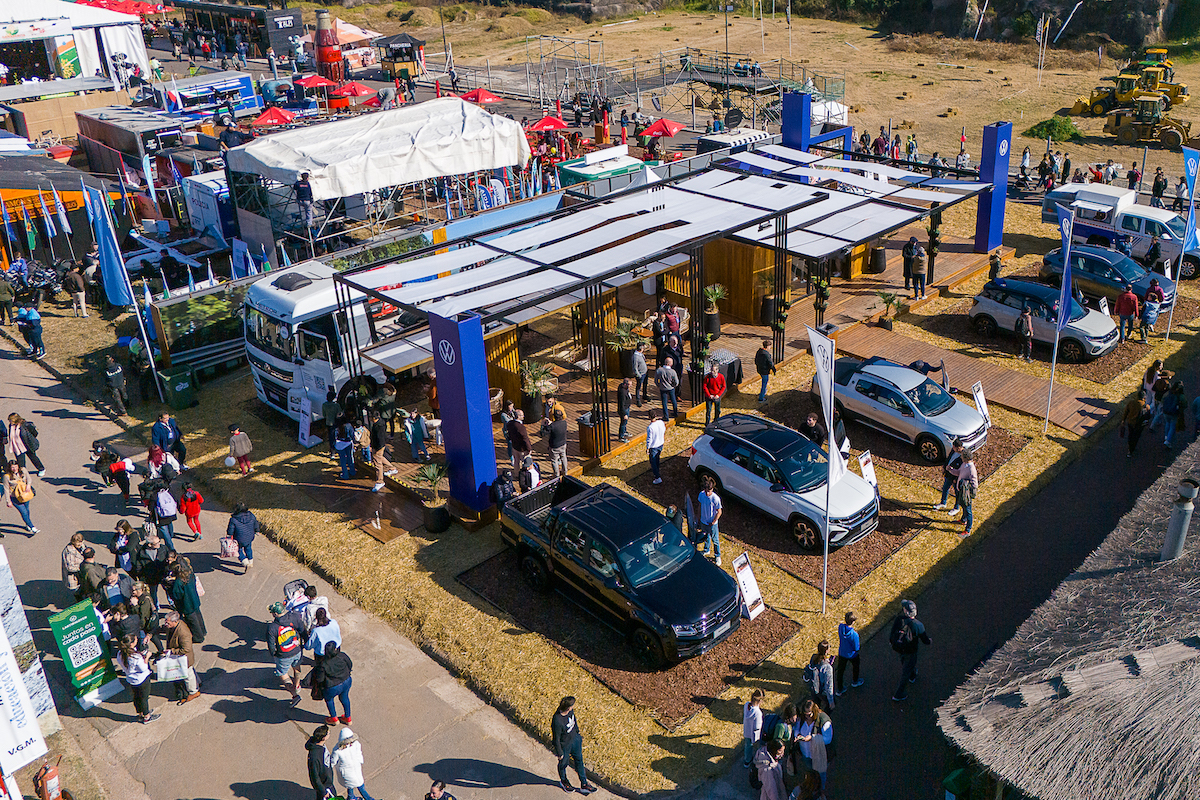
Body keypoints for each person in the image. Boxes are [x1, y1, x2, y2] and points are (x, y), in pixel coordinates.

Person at [552, 696, 596, 794]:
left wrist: (578, 733)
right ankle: (564, 781)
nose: (573, 707)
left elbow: (574, 720)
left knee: (579, 761)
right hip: (565, 746)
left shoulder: (570, 712)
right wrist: (559, 752)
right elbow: (556, 739)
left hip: (575, 740)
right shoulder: (557, 720)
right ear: (568, 707)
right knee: (563, 764)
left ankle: (584, 784)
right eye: (572, 705)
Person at [890, 599, 932, 701]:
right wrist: (929, 641)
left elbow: (892, 633)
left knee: (905, 661)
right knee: (906, 671)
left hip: (899, 648)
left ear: (906, 611)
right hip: (910, 650)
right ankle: (898, 694)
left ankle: (912, 674)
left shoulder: (899, 619)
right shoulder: (918, 625)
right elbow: (925, 640)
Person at [114, 634, 159, 724]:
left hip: (131, 680)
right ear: (131, 644)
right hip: (141, 679)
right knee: (143, 698)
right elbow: (144, 668)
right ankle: (146, 716)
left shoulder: (120, 653)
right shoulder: (135, 657)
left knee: (136, 697)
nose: (136, 640)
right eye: (134, 640)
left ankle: (140, 713)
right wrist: (147, 657)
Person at [268, 601, 305, 706]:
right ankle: (297, 685)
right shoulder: (294, 617)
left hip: (283, 654)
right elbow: (302, 630)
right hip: (297, 649)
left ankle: (295, 695)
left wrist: (274, 654)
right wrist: (303, 643)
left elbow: (271, 646)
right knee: (296, 666)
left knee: (283, 673)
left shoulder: (272, 627)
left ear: (275, 614)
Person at [162, 610, 200, 703]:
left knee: (188, 675)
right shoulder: (174, 626)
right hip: (181, 657)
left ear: (175, 622)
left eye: (168, 622)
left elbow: (186, 649)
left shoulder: (183, 632)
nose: (166, 624)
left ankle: (193, 692)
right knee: (190, 672)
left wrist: (172, 651)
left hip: (185, 657)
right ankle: (197, 683)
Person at [329, 728, 377, 800]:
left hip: (356, 769)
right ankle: (369, 799)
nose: (351, 743)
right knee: (359, 786)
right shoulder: (337, 751)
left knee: (354, 785)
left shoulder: (356, 744)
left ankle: (351, 797)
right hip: (346, 772)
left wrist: (359, 761)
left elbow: (359, 753)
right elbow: (332, 762)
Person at [795, 699, 832, 789]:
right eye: (805, 715)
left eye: (809, 715)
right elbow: (796, 728)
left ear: (814, 711)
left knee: (821, 775)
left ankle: (820, 791)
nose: (807, 717)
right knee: (810, 773)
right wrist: (797, 735)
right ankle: (811, 788)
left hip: (819, 755)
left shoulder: (824, 721)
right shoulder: (802, 719)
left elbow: (828, 739)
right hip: (806, 754)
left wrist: (812, 738)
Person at [167, 556, 206, 643]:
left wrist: (170, 586)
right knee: (198, 616)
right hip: (194, 599)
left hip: (186, 604)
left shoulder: (178, 582)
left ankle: (198, 637)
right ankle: (203, 631)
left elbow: (177, 595)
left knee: (192, 621)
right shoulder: (189, 573)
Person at [316, 641, 353, 725]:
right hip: (346, 681)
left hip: (332, 687)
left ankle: (334, 719)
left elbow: (320, 679)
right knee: (345, 698)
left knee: (329, 700)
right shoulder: (342, 656)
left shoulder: (323, 664)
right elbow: (350, 664)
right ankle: (348, 718)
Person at [132, 532, 169, 608]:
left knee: (168, 590)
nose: (159, 544)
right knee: (153, 593)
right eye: (157, 543)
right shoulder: (142, 553)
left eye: (159, 541)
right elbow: (139, 567)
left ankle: (171, 602)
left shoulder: (163, 548)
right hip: (151, 578)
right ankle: (156, 606)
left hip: (163, 574)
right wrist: (143, 578)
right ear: (150, 545)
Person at [2, 459, 37, 534]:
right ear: (10, 468)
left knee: (27, 510)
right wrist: (8, 501)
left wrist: (28, 485)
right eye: (12, 467)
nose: (14, 469)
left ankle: (27, 524)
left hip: (25, 494)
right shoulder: (7, 476)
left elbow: (29, 479)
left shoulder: (23, 470)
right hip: (15, 497)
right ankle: (32, 527)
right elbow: (6, 489)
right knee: (23, 512)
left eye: (15, 466)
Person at [949, 449, 978, 535]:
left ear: (965, 457)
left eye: (962, 456)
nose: (960, 457)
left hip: (966, 493)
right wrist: (951, 470)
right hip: (961, 491)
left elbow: (975, 484)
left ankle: (967, 529)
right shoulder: (964, 464)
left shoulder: (971, 468)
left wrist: (969, 492)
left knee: (968, 510)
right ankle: (963, 520)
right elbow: (959, 473)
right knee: (964, 507)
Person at [226, 502, 261, 573]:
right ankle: (251, 562)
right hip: (250, 537)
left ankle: (245, 562)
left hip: (239, 539)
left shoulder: (233, 519)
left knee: (238, 550)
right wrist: (257, 530)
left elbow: (230, 530)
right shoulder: (251, 515)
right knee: (248, 548)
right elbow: (256, 523)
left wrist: (229, 535)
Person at [369, 412, 398, 493]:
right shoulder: (382, 423)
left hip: (377, 446)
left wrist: (375, 447)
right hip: (380, 446)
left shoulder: (377, 427)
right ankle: (392, 467)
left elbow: (379, 438)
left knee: (377, 463)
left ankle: (380, 481)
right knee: (380, 457)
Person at [698, 475, 723, 566]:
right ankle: (706, 550)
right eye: (706, 491)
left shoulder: (715, 499)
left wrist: (713, 522)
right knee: (706, 536)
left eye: (709, 491)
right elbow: (700, 506)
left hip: (712, 523)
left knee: (715, 540)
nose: (707, 493)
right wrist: (699, 518)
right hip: (704, 521)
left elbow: (719, 511)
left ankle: (717, 555)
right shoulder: (701, 495)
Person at [836, 611, 863, 695]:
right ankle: (855, 681)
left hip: (842, 653)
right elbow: (856, 648)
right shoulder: (854, 635)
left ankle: (839, 689)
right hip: (852, 655)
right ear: (853, 622)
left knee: (840, 671)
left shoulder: (840, 627)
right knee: (855, 666)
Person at [935, 438, 965, 510]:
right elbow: (949, 458)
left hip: (956, 477)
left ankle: (956, 507)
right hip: (949, 474)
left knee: (957, 493)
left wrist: (956, 479)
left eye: (954, 447)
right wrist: (945, 468)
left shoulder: (964, 455)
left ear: (958, 447)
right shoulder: (953, 450)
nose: (953, 448)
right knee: (945, 488)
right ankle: (943, 503)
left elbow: (963, 469)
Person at [307, 725, 336, 799]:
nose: (330, 734)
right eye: (329, 733)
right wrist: (323, 791)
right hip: (324, 786)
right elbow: (314, 777)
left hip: (328, 782)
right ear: (323, 738)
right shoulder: (314, 757)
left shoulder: (321, 745)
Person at [1121, 388, 1150, 457]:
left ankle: (1130, 448)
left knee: (1130, 434)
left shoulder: (1131, 403)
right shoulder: (1145, 406)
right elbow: (1148, 416)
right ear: (1144, 397)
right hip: (1139, 424)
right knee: (1136, 436)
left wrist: (1123, 420)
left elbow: (1126, 412)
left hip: (1130, 422)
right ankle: (1131, 449)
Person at [742, 688, 764, 767]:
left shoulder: (746, 705)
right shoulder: (758, 713)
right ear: (760, 701)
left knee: (747, 745)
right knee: (757, 746)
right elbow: (758, 725)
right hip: (754, 733)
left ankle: (747, 760)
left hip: (747, 730)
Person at [545, 407, 568, 478]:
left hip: (554, 445)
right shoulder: (564, 423)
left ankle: (556, 475)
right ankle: (565, 471)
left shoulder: (552, 426)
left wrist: (545, 424)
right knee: (563, 457)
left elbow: (544, 432)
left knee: (554, 460)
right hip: (563, 443)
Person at [1163, 380, 1187, 448]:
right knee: (1172, 426)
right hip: (1174, 413)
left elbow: (1163, 399)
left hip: (1166, 411)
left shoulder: (1168, 393)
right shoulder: (1181, 396)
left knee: (1167, 423)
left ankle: (1166, 436)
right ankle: (1168, 441)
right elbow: (1185, 404)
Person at [62, 533, 86, 597]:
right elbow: (70, 567)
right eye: (78, 543)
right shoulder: (69, 552)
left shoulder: (82, 546)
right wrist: (82, 567)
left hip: (81, 573)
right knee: (77, 591)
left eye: (81, 542)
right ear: (73, 542)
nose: (80, 544)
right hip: (74, 575)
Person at [656, 357, 680, 421]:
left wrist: (659, 385)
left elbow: (656, 380)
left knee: (664, 402)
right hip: (671, 388)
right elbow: (677, 382)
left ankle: (666, 416)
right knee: (673, 400)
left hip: (663, 388)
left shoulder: (659, 370)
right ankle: (675, 413)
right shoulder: (672, 372)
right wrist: (673, 385)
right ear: (670, 364)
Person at [646, 410, 665, 485]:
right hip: (660, 444)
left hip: (654, 446)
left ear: (649, 417)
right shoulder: (661, 422)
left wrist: (647, 447)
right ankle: (657, 471)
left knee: (653, 461)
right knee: (657, 458)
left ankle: (657, 477)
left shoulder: (650, 427)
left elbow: (649, 439)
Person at [322, 391, 341, 457]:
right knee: (336, 436)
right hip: (335, 422)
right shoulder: (336, 405)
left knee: (331, 437)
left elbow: (324, 415)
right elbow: (339, 414)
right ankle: (337, 449)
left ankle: (332, 451)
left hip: (328, 422)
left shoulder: (324, 405)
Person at [632, 342, 649, 406]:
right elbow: (634, 367)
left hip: (645, 372)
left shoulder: (641, 354)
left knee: (645, 384)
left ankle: (644, 395)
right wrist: (638, 375)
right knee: (638, 387)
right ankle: (638, 399)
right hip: (640, 374)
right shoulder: (635, 357)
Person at [617, 378, 633, 442]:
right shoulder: (623, 393)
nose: (630, 386)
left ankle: (624, 431)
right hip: (624, 409)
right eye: (629, 385)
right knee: (623, 422)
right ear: (625, 384)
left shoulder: (624, 388)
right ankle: (621, 436)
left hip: (627, 407)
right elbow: (622, 404)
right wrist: (624, 414)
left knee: (625, 422)